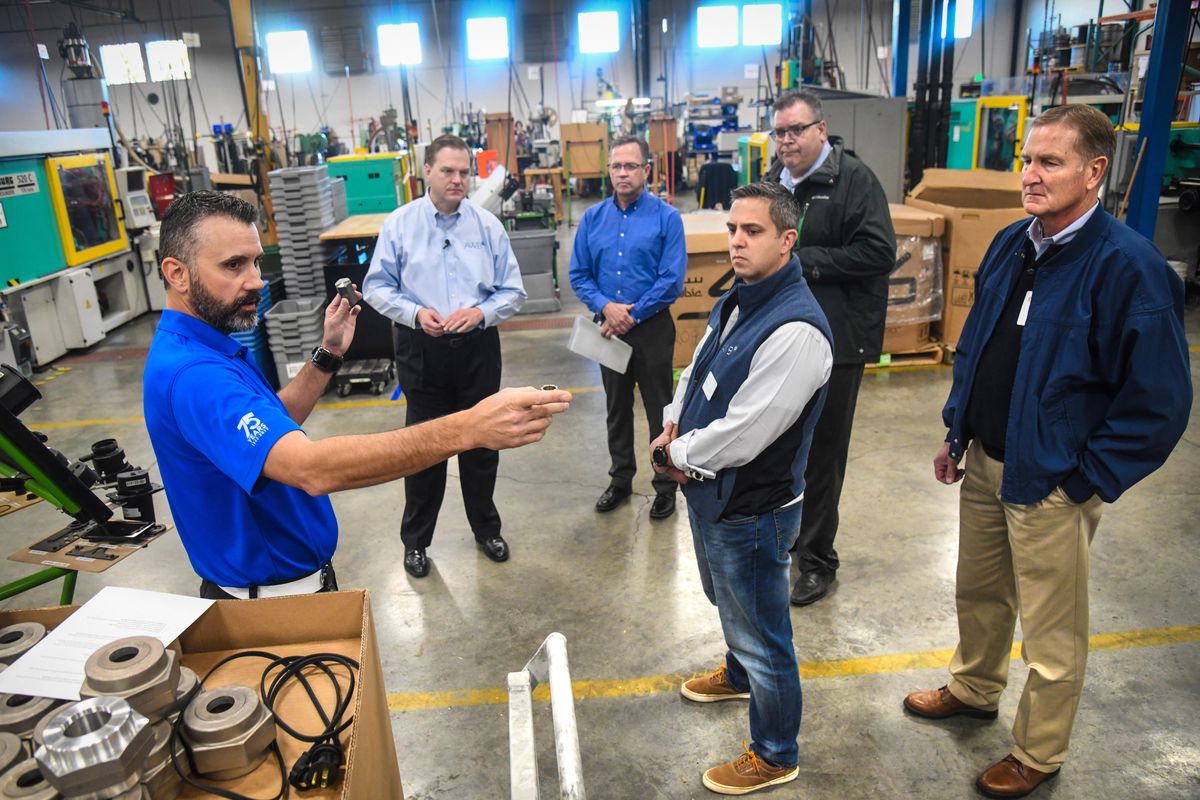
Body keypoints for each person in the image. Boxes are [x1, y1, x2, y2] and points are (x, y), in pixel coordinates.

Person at [903, 104, 1191, 799]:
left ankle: (1038, 752)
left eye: (1050, 162)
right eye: (1027, 160)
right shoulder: (1012, 243)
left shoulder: (1129, 267)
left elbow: (1160, 402)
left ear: (1094, 173)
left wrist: (1088, 478)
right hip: (988, 461)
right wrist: (957, 430)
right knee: (979, 592)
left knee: (1053, 636)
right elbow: (978, 346)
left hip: (1054, 479)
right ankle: (974, 688)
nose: (1030, 175)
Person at [143, 191, 570, 599]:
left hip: (285, 585)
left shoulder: (206, 345)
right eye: (234, 265)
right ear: (177, 273)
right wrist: (469, 427)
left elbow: (275, 420)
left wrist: (327, 355)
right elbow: (312, 469)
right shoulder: (195, 375)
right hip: (268, 600)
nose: (255, 281)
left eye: (255, 262)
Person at [654, 182, 832, 795]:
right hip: (710, 493)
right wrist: (676, 414)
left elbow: (747, 432)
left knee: (765, 635)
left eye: (752, 231)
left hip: (754, 507)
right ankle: (737, 672)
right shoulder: (739, 299)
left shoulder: (797, 330)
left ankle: (776, 751)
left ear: (787, 240)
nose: (736, 241)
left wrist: (675, 453)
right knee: (725, 598)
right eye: (733, 228)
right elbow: (697, 366)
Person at [363, 134, 527, 579]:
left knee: (482, 445)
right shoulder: (400, 224)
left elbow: (514, 291)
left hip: (476, 349)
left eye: (464, 172)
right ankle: (415, 543)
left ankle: (486, 530)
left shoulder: (487, 226)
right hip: (423, 350)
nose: (458, 180)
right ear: (427, 173)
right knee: (423, 451)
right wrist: (416, 313)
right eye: (448, 171)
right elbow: (377, 287)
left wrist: (480, 311)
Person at [764, 89, 895, 607]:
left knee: (822, 455)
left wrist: (803, 260)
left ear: (821, 129)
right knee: (781, 445)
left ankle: (817, 561)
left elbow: (879, 251)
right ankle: (790, 538)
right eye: (780, 132)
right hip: (782, 338)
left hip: (837, 342)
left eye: (797, 130)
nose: (788, 141)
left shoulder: (853, 180)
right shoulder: (773, 184)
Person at [569, 134, 686, 520]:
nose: (623, 173)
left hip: (651, 329)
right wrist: (606, 307)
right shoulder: (592, 219)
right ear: (609, 171)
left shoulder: (666, 218)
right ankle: (620, 480)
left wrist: (632, 314)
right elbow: (579, 274)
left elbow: (671, 280)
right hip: (607, 331)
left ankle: (665, 485)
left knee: (660, 410)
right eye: (617, 166)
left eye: (631, 166)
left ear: (646, 170)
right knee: (616, 408)